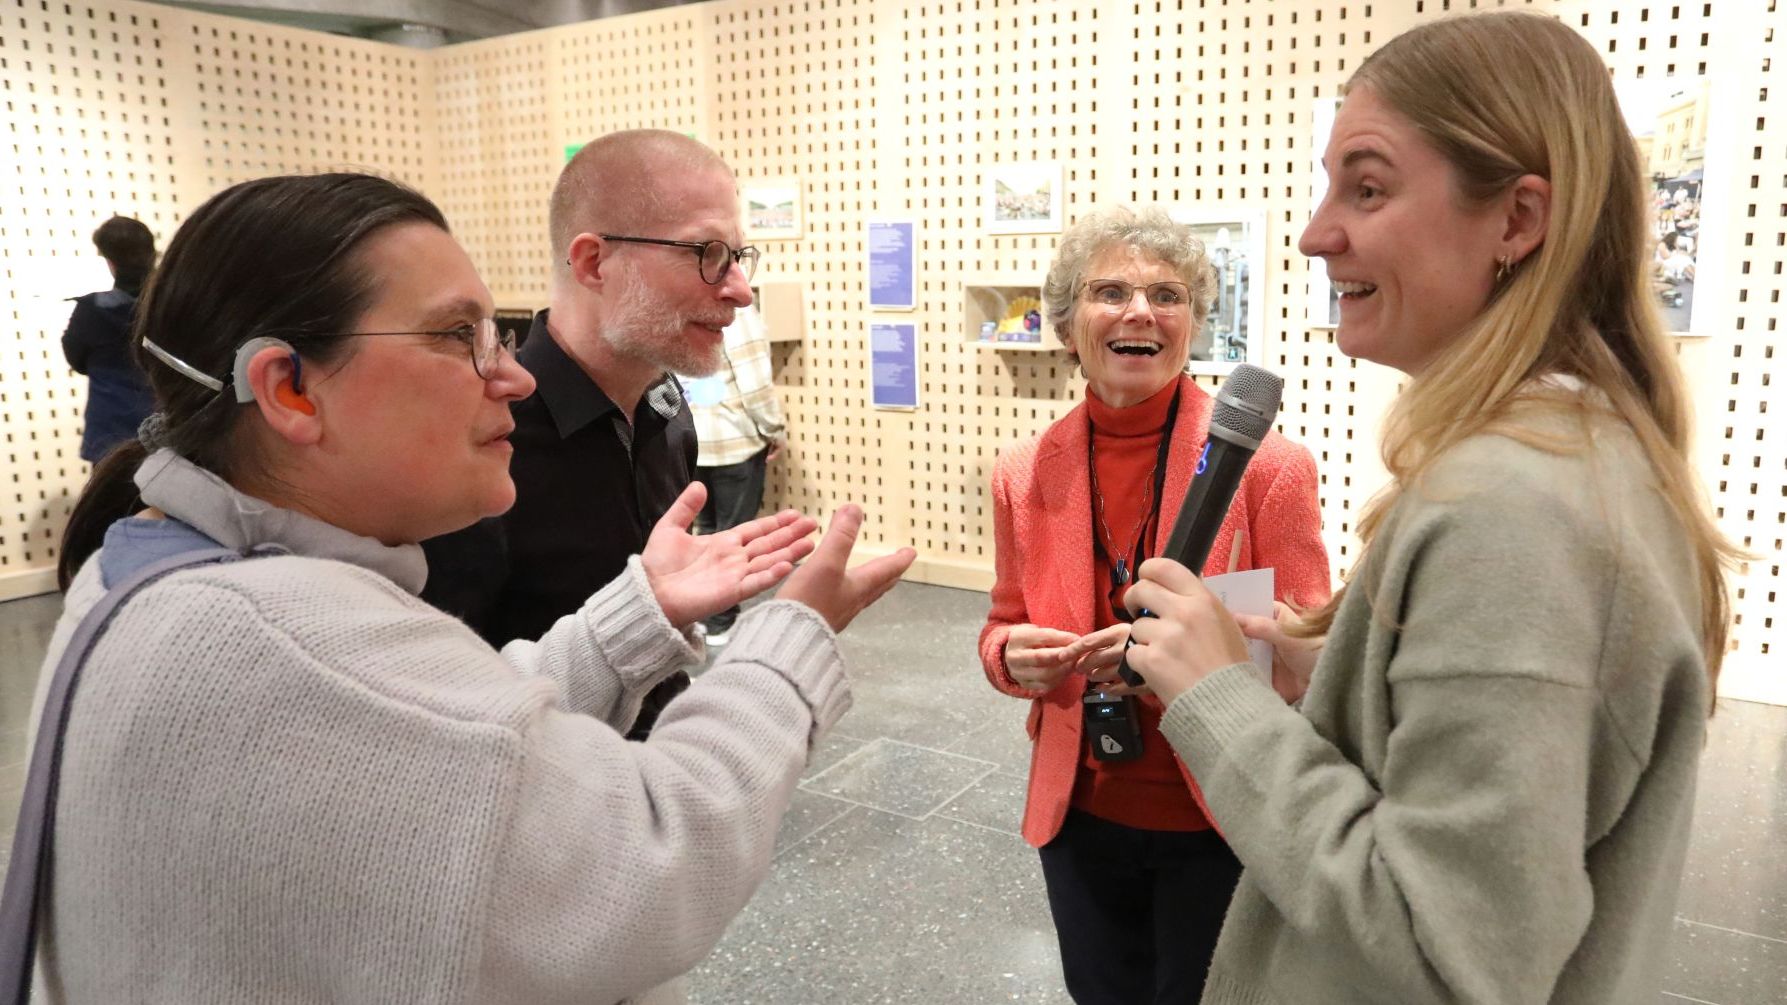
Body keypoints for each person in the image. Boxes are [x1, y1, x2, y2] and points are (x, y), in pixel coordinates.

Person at [22, 172, 914, 1003]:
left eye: (500, 333)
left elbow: (435, 746)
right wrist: (791, 633)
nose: (512, 374)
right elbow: (648, 857)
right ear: (288, 388)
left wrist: (636, 616)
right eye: (459, 336)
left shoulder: (171, 571)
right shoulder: (282, 634)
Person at [1117, 12, 1740, 1002]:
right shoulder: (1566, 464)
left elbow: (1439, 953)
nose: (1318, 233)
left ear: (1516, 219)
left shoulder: (1514, 513)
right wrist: (1362, 676)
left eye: (1365, 187)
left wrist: (1215, 702)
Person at [977, 206, 1330, 1003]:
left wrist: (1203, 657)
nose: (1140, 311)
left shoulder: (1268, 468)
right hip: (1080, 811)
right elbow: (1000, 622)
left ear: (1192, 324)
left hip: (1216, 812)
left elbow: (1313, 652)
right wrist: (1010, 657)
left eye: (1166, 295)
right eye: (1110, 291)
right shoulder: (1022, 471)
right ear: (1067, 326)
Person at [421, 129, 757, 737]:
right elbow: (447, 702)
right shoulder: (483, 439)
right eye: (706, 253)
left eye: (737, 256)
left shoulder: (667, 409)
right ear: (593, 262)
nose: (739, 289)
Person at [680, 301, 788, 645]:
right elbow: (755, 386)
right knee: (735, 535)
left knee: (704, 532)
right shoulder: (738, 315)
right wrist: (774, 428)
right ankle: (721, 621)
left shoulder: (682, 308)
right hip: (734, 441)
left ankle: (700, 617)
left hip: (692, 439)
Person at [62, 215, 157, 463]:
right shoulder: (171, 306)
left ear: (111, 262)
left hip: (110, 431)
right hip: (168, 428)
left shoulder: (92, 310)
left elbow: (76, 357)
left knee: (111, 500)